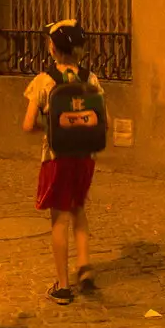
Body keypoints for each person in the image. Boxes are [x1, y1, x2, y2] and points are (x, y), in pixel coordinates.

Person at [23, 20, 106, 305]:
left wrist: (49, 129)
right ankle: (84, 267)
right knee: (78, 209)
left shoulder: (43, 81)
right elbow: (101, 121)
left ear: (52, 49)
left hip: (56, 158)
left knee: (58, 219)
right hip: (85, 157)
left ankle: (62, 285)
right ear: (80, 50)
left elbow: (27, 124)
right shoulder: (91, 79)